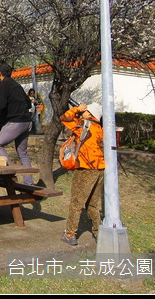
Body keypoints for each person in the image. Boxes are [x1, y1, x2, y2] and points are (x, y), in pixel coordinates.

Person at [59, 103, 105, 246]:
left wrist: (77, 109)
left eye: (85, 111)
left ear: (89, 114)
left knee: (76, 203)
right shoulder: (100, 129)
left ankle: (70, 233)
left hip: (85, 168)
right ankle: (99, 233)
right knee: (93, 203)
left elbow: (64, 118)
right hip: (100, 169)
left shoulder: (83, 126)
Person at [0, 63, 35, 185]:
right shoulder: (17, 85)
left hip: (16, 122)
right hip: (27, 122)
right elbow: (28, 103)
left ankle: (10, 174)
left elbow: (1, 105)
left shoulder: (3, 85)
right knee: (23, 153)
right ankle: (29, 183)